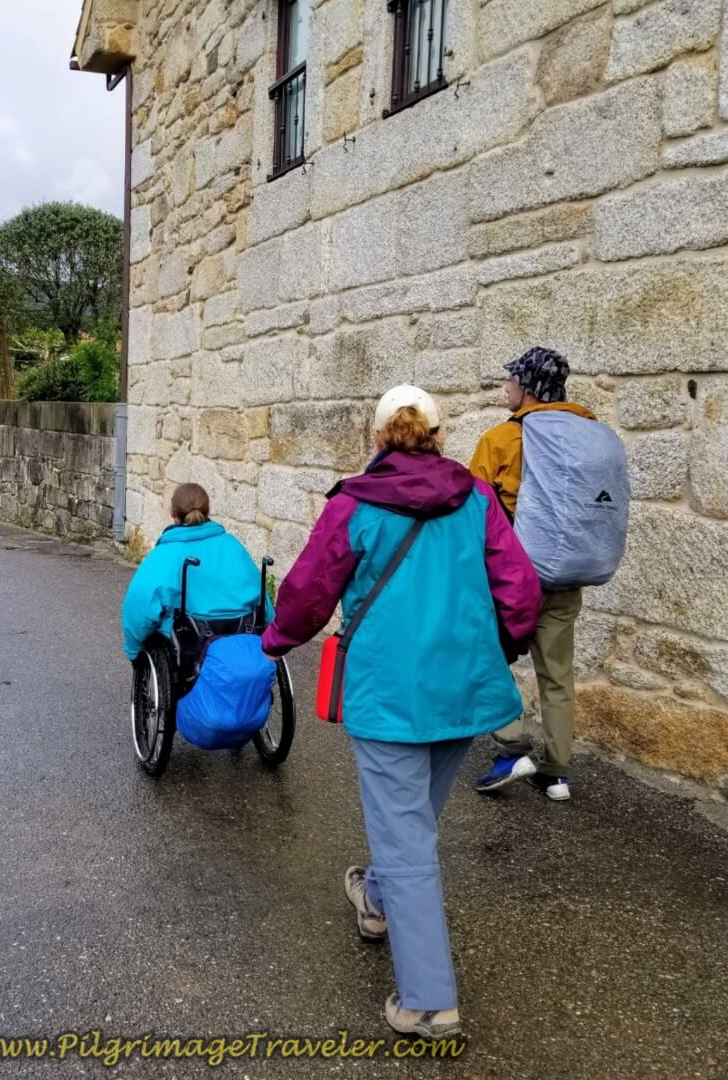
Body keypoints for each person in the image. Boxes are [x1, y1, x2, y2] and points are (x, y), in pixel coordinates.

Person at [260, 386, 541, 1042]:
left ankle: (428, 1002)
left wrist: (273, 641)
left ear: (379, 436)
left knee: (407, 835)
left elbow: (307, 592)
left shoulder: (355, 503)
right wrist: (497, 648)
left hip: (389, 693)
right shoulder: (475, 499)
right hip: (465, 692)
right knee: (411, 824)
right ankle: (378, 900)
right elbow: (519, 589)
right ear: (440, 436)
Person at [468, 347, 595, 803]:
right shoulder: (589, 432)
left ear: (528, 389)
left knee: (491, 657)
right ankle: (556, 774)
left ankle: (510, 749)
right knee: (557, 673)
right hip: (567, 573)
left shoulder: (501, 440)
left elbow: (474, 508)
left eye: (512, 381)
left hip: (513, 576)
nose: (506, 388)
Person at [121, 483, 269, 662]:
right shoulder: (232, 546)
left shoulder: (165, 555)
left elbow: (139, 605)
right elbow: (260, 595)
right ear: (208, 511)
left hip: (188, 644)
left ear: (172, 512)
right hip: (241, 635)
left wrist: (134, 651)